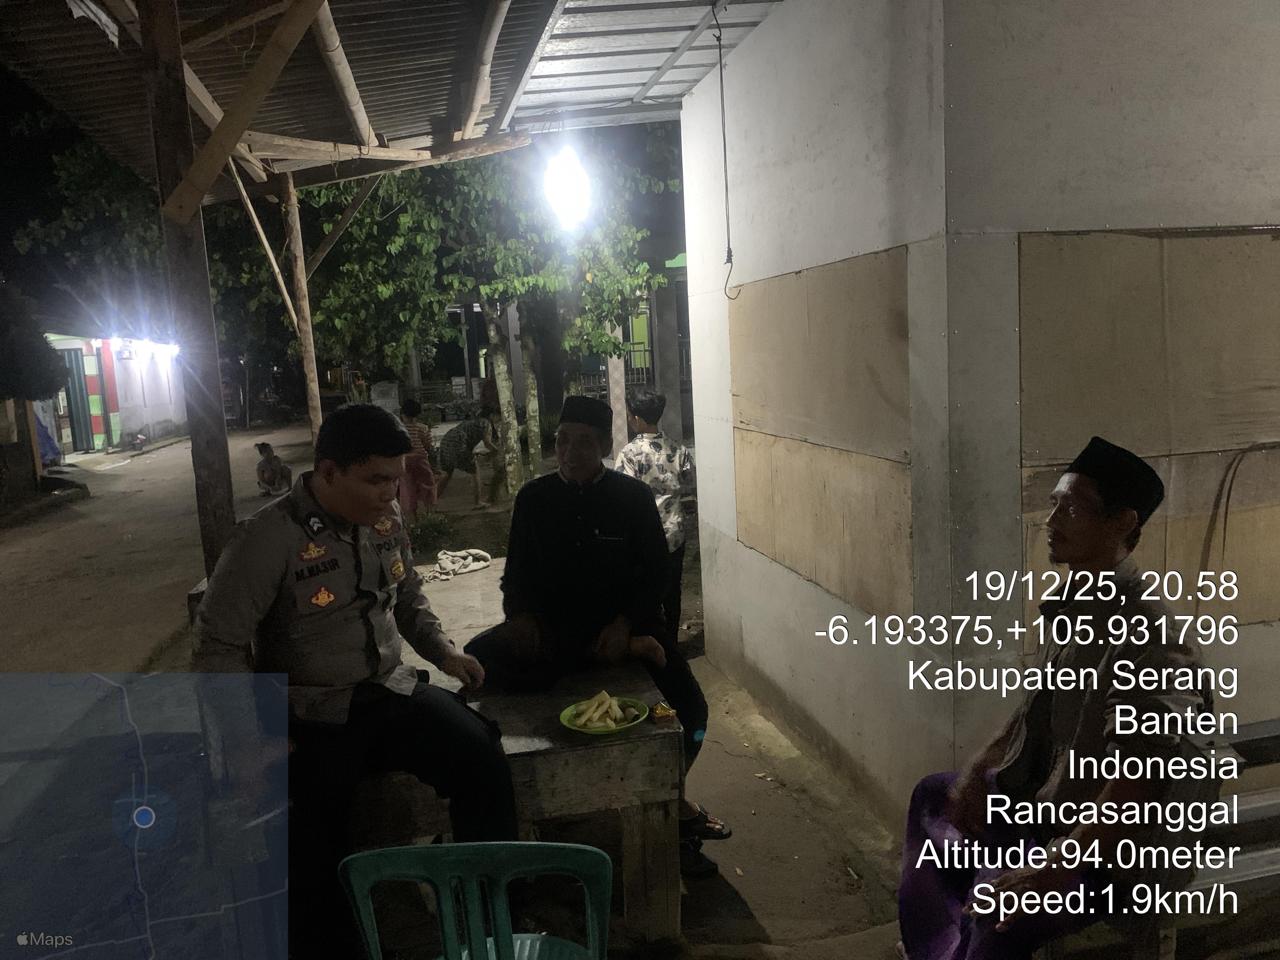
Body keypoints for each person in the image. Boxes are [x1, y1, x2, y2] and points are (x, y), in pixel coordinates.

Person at [193, 403, 517, 954]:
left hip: (388, 692)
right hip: (310, 716)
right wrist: (247, 738)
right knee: (309, 840)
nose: (390, 493)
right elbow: (217, 646)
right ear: (328, 472)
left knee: (481, 754)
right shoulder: (267, 538)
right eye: (375, 480)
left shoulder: (385, 521)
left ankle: (486, 924)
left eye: (395, 479)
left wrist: (443, 652)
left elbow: (408, 597)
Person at [897, 436, 1215, 960]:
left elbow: (1137, 787)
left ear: (1122, 523)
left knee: (997, 908)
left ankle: (969, 937)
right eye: (1053, 505)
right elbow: (1034, 709)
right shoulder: (1075, 606)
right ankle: (942, 946)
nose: (1050, 522)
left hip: (1114, 854)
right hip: (1056, 812)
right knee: (936, 796)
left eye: (1070, 509)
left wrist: (1046, 868)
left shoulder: (1149, 635)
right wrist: (979, 769)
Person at [466, 395, 730, 878]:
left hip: (627, 625)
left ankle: (671, 798)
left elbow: (655, 574)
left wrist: (627, 624)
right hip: (554, 628)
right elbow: (515, 574)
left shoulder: (631, 498)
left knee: (690, 713)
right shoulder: (534, 498)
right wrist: (519, 616)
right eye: (563, 441)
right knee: (480, 661)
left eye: (584, 442)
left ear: (607, 445)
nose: (570, 452)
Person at [616, 388, 695, 640]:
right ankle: (671, 642)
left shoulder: (629, 454)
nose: (629, 419)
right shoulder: (679, 450)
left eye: (630, 415)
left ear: (637, 418)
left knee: (644, 591)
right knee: (672, 592)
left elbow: (623, 498)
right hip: (674, 535)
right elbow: (690, 491)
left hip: (642, 537)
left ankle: (649, 642)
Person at [436, 406, 502, 507]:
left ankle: (432, 501)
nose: (499, 420)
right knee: (475, 472)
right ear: (492, 415)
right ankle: (478, 502)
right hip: (458, 443)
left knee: (446, 474)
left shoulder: (473, 421)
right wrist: (496, 450)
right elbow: (487, 443)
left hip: (446, 441)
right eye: (499, 417)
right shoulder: (486, 423)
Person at [398, 397, 437, 518]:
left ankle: (413, 517)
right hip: (420, 459)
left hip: (404, 460)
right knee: (427, 483)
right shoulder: (422, 428)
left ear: (402, 413)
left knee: (408, 487)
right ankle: (429, 512)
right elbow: (427, 445)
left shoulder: (398, 429)